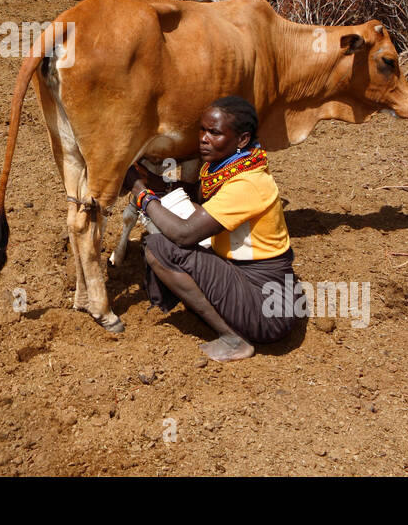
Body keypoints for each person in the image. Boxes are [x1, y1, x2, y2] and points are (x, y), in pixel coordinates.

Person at [128, 95, 301, 362]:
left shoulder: (246, 185)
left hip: (269, 310)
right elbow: (194, 191)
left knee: (159, 248)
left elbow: (185, 234)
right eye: (202, 129)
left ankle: (234, 339)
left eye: (214, 132)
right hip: (267, 290)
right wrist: (150, 180)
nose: (204, 138)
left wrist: (141, 194)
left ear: (241, 140)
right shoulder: (236, 166)